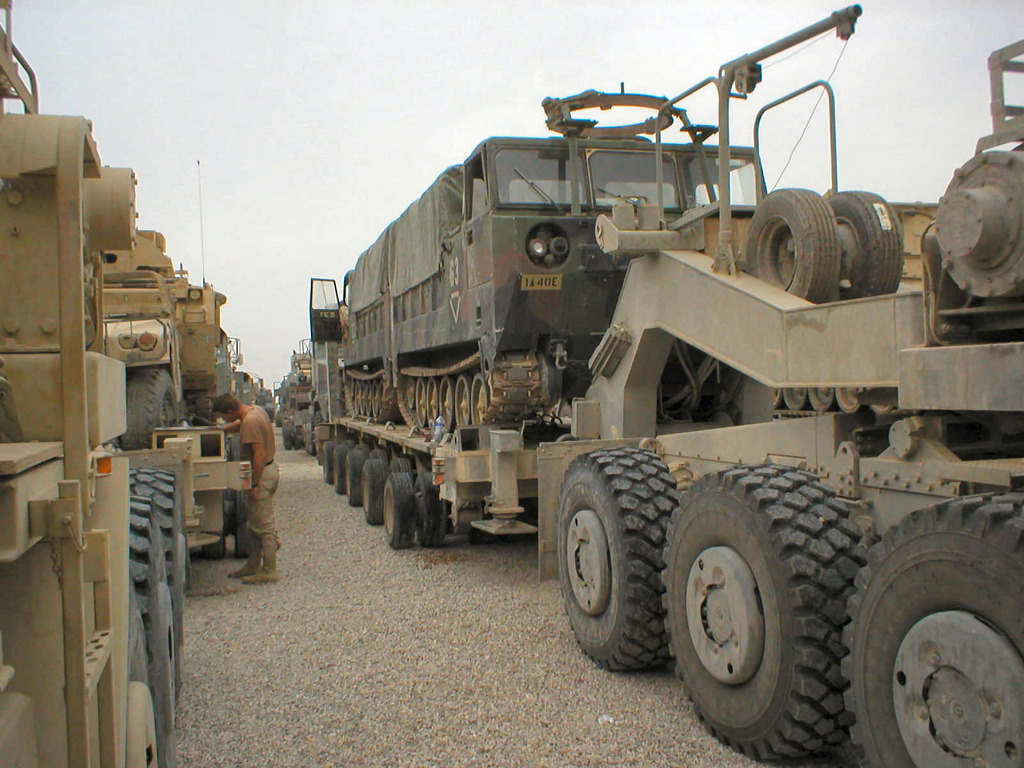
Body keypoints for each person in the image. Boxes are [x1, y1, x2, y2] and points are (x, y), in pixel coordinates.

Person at [212, 393, 281, 584]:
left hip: (262, 474)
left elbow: (259, 455)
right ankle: (253, 565)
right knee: (254, 524)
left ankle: (269, 569)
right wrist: (222, 429)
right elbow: (240, 424)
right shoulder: (254, 411)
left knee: (264, 526)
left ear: (230, 411)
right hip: (269, 470)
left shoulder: (250, 421)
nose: (225, 420)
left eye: (224, 417)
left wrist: (254, 484)